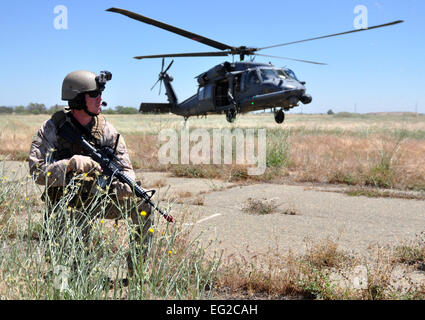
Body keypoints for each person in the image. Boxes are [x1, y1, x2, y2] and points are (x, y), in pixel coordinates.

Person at [28, 70, 153, 284]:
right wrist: (69, 165)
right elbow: (37, 171)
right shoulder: (53, 129)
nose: (100, 99)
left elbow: (126, 169)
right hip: (66, 204)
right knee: (70, 281)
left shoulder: (107, 131)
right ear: (78, 98)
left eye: (100, 93)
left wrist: (125, 185)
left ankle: (137, 276)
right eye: (94, 94)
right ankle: (70, 275)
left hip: (100, 198)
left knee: (144, 204)